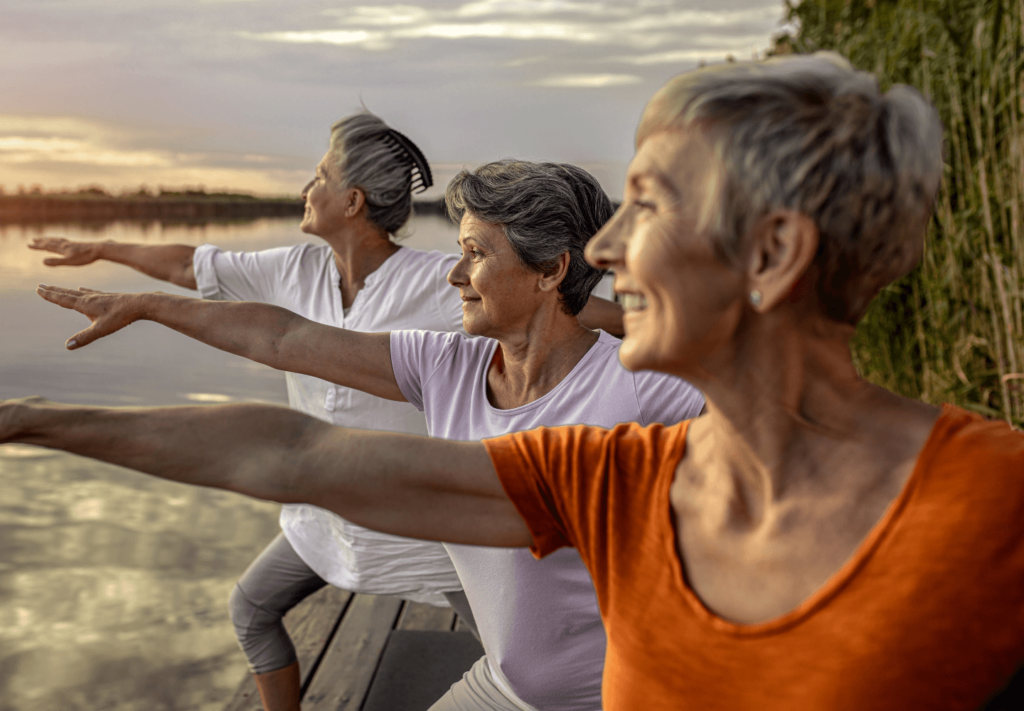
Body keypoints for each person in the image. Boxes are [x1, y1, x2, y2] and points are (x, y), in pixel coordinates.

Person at [11, 51, 1024, 709]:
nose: (610, 249)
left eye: (647, 205)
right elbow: (295, 447)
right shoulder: (611, 478)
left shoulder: (986, 498)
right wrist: (33, 419)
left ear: (771, 254)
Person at [33, 159, 704, 711]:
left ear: (552, 269)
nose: (453, 274)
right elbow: (285, 337)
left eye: (474, 253)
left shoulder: (648, 388)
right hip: (505, 690)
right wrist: (149, 305)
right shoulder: (449, 364)